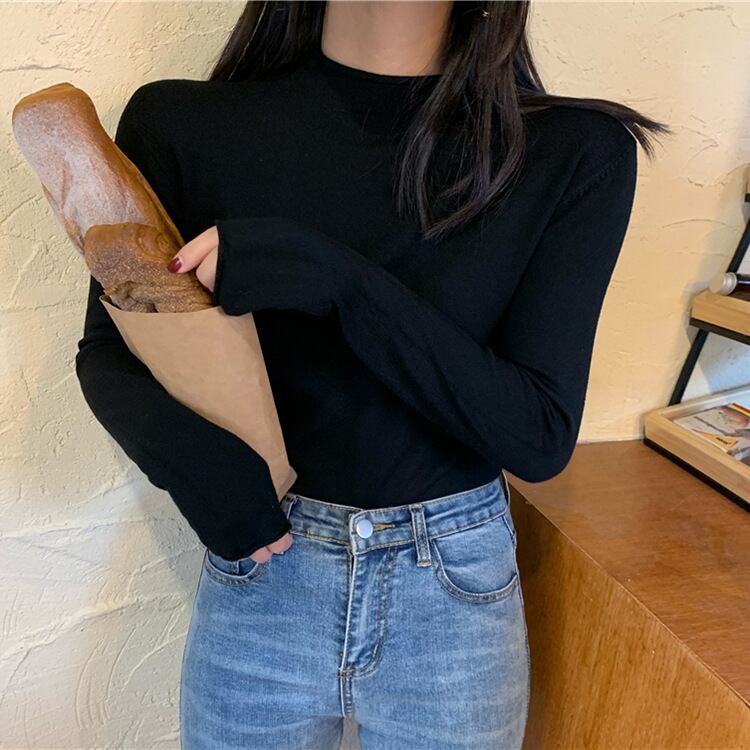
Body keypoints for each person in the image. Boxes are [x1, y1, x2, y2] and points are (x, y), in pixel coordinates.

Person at [75, 1, 670, 748]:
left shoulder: (570, 152)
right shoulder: (183, 124)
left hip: (451, 594)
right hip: (265, 572)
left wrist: (334, 280)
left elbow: (537, 433)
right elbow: (110, 347)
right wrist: (201, 468)